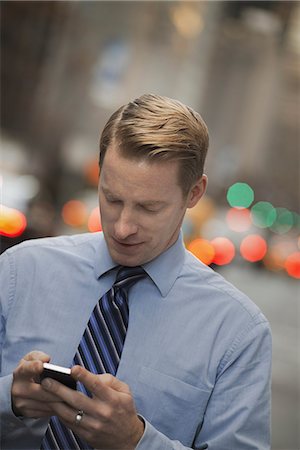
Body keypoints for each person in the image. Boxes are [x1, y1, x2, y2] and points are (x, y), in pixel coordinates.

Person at [0, 94, 272, 450]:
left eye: (148, 208)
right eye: (112, 199)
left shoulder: (237, 333)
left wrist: (136, 442)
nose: (123, 227)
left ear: (194, 193)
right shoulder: (20, 271)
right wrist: (9, 400)